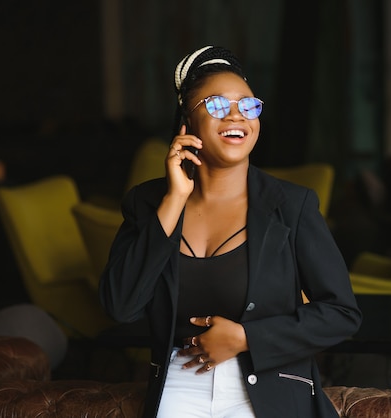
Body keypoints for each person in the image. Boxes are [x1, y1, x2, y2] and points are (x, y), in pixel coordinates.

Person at [99, 45, 362, 418]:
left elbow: (341, 312)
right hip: (179, 386)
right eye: (218, 105)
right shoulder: (147, 203)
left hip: (270, 391)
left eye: (249, 105)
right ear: (186, 124)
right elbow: (120, 306)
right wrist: (174, 200)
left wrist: (246, 338)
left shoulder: (291, 205)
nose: (237, 115)